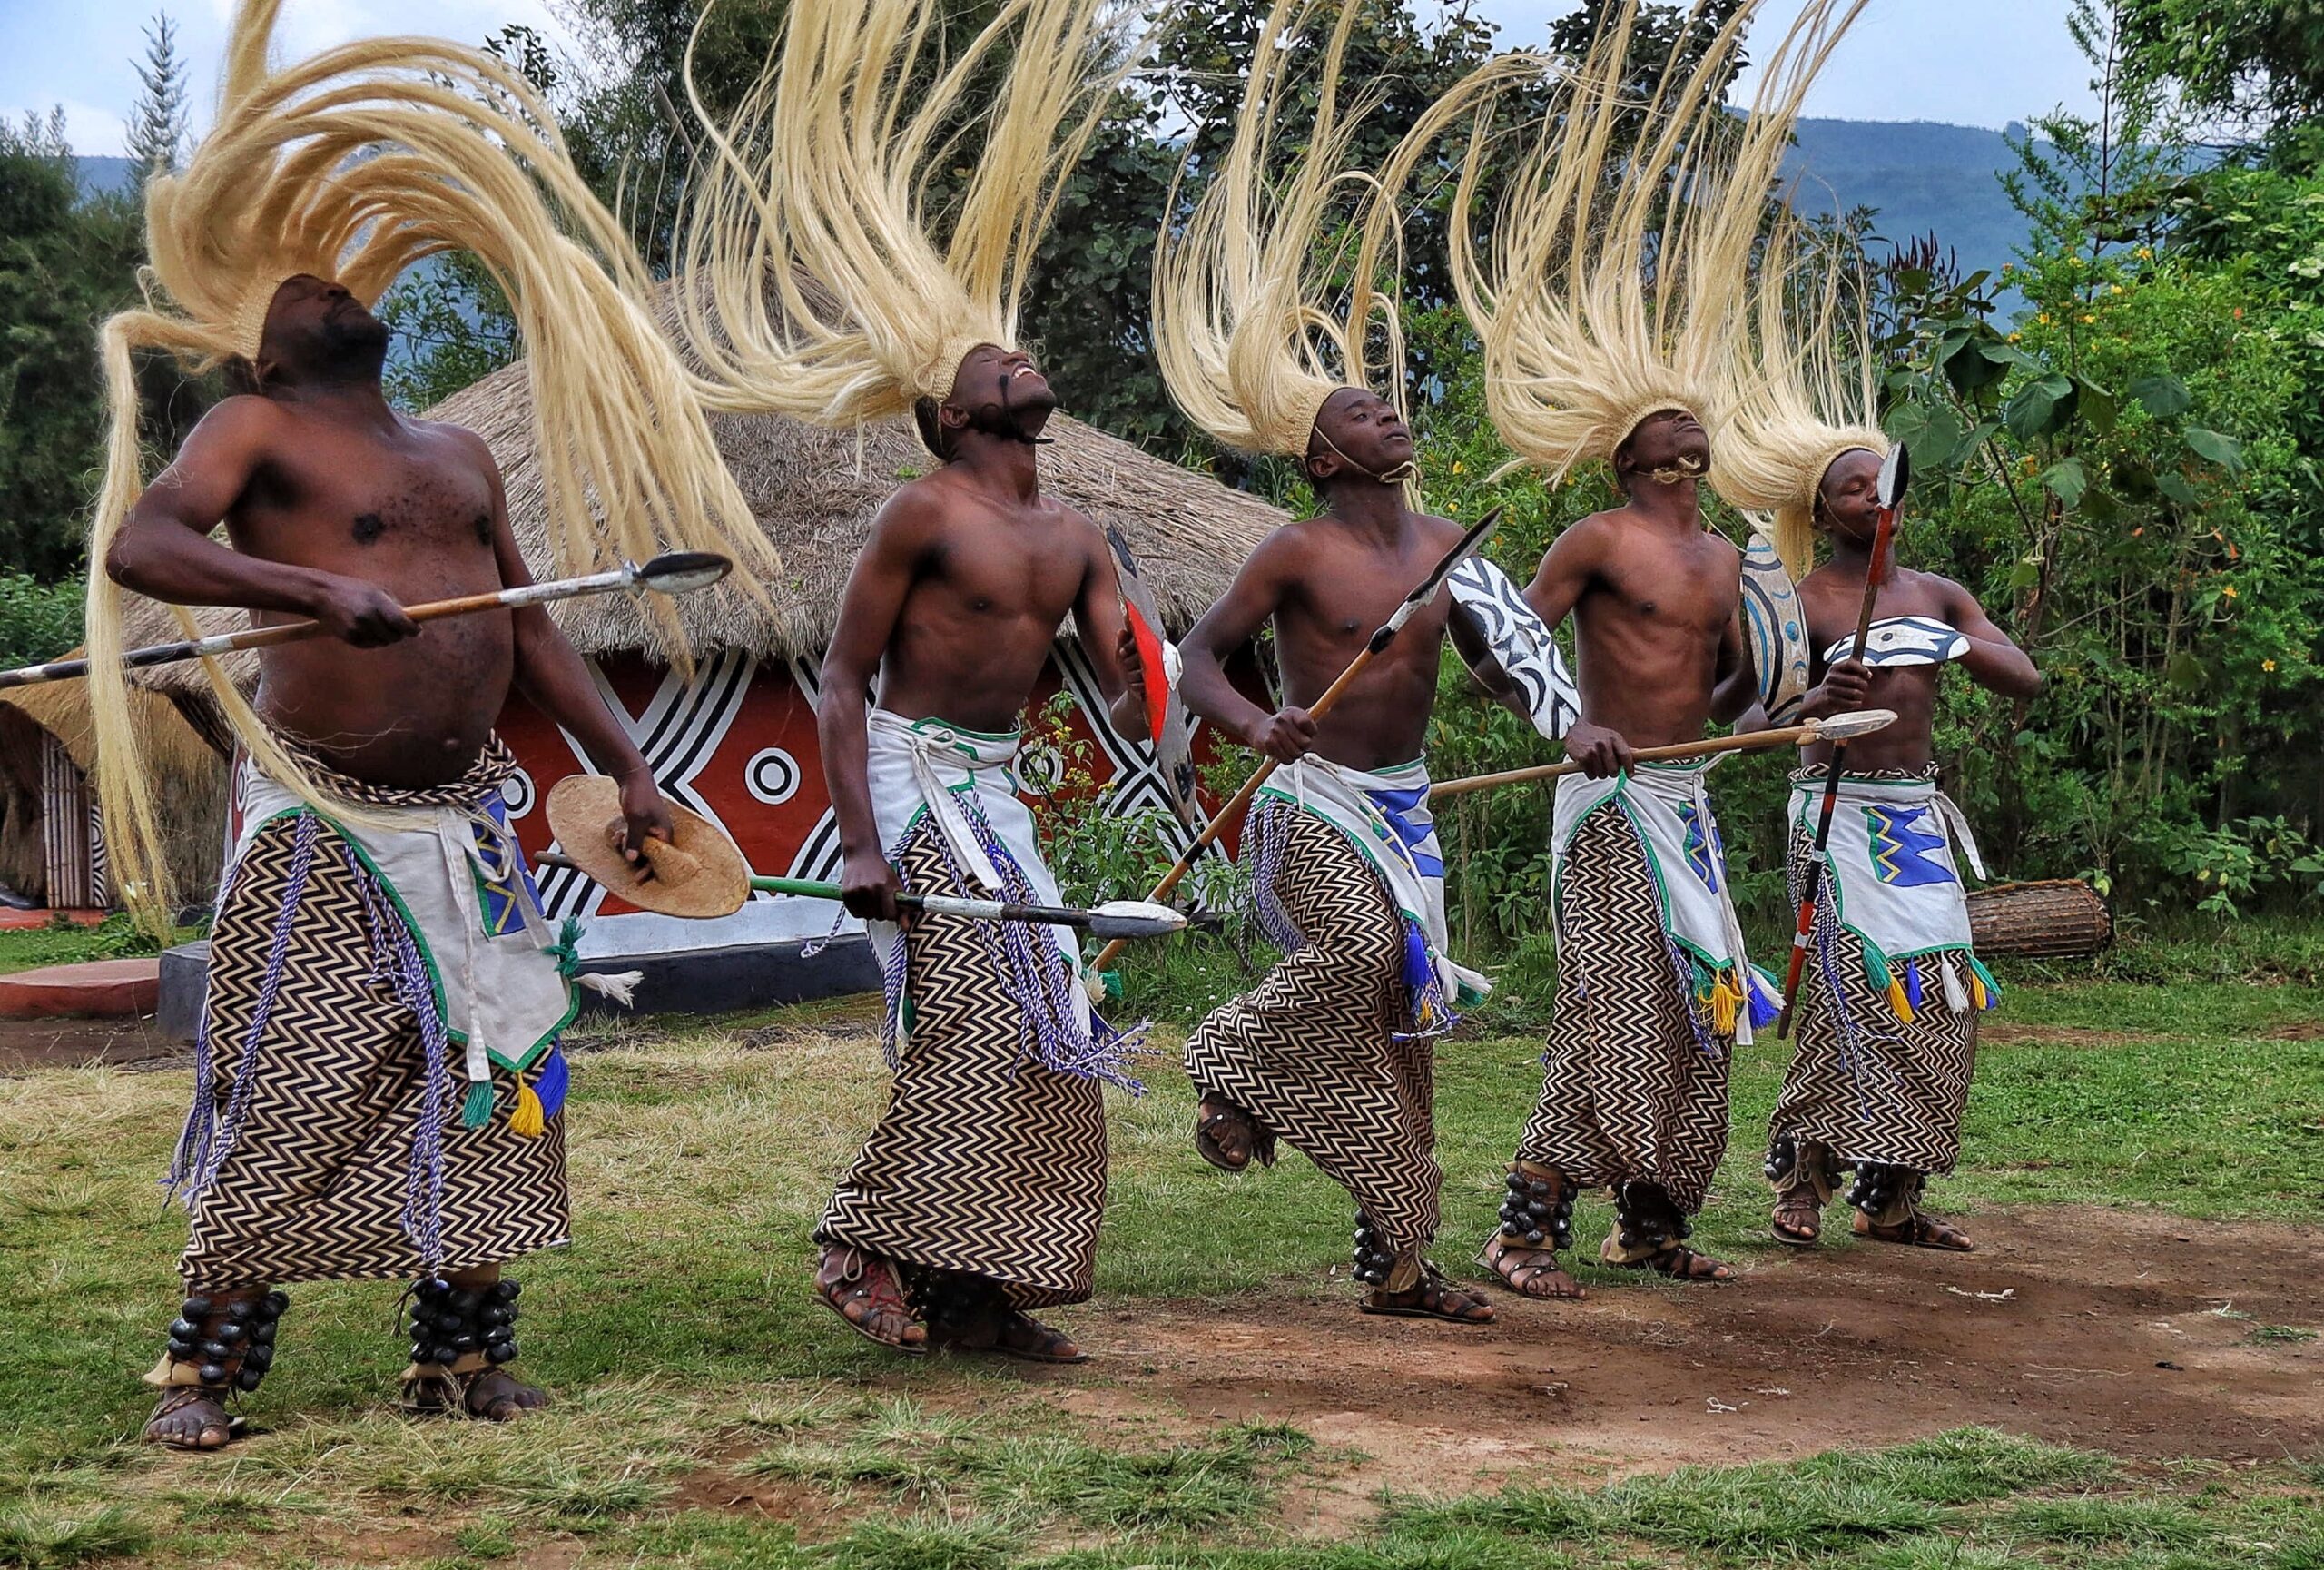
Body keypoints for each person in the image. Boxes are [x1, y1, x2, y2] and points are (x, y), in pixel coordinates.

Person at [89, 2, 768, 1450]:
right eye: (307, 287)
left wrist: (631, 767)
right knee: (296, 1075)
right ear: (263, 347)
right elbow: (144, 546)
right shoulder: (254, 431)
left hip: (468, 821)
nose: (338, 289)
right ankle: (204, 1369)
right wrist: (310, 588)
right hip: (328, 823)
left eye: (345, 278)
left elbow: (532, 629)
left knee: (499, 1069)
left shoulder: (456, 452)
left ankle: (461, 1353)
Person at [675, 0, 1147, 1363]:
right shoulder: (922, 512)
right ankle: (863, 1234)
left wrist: (1159, 691)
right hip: (910, 777)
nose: (1015, 357)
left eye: (1016, 351)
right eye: (991, 363)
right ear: (952, 415)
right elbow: (837, 682)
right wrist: (862, 847)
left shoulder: (1080, 535)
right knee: (982, 1016)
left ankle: (977, 1289)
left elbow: (1123, 694)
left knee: (1052, 1022)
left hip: (996, 793)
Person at [1411, 0, 1866, 1295]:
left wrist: (1796, 703)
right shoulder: (1597, 539)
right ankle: (1523, 1227)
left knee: (1703, 1008)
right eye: (1663, 428)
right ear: (1627, 451)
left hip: (1686, 799)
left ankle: (1653, 1220)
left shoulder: (1734, 560)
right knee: (1616, 1005)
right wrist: (1570, 726)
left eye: (1691, 425)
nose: (1684, 436)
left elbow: (1732, 696)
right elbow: (1500, 648)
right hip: (1606, 803)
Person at [1153, 0, 1575, 1324]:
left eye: (1388, 404)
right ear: (1325, 455)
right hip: (1313, 804)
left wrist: (1574, 728)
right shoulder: (1294, 551)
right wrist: (1252, 727)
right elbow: (1195, 661)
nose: (1390, 415)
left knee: (1401, 1032)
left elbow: (1518, 670)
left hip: (1406, 809)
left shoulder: (1451, 549)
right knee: (1350, 958)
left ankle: (1397, 1262)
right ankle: (1229, 1055)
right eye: (1362, 411)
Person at [1718, 228, 2039, 1252]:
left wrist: (1953, 642)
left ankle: (1892, 1193)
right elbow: (1746, 723)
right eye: (1851, 488)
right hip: (1836, 813)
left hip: (1916, 815)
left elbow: (2023, 677)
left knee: (1937, 992)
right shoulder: (1797, 598)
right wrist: (1815, 697)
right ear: (1820, 506)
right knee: (1846, 992)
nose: (1870, 497)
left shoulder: (1938, 593)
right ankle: (1799, 1176)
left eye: (1880, 483)